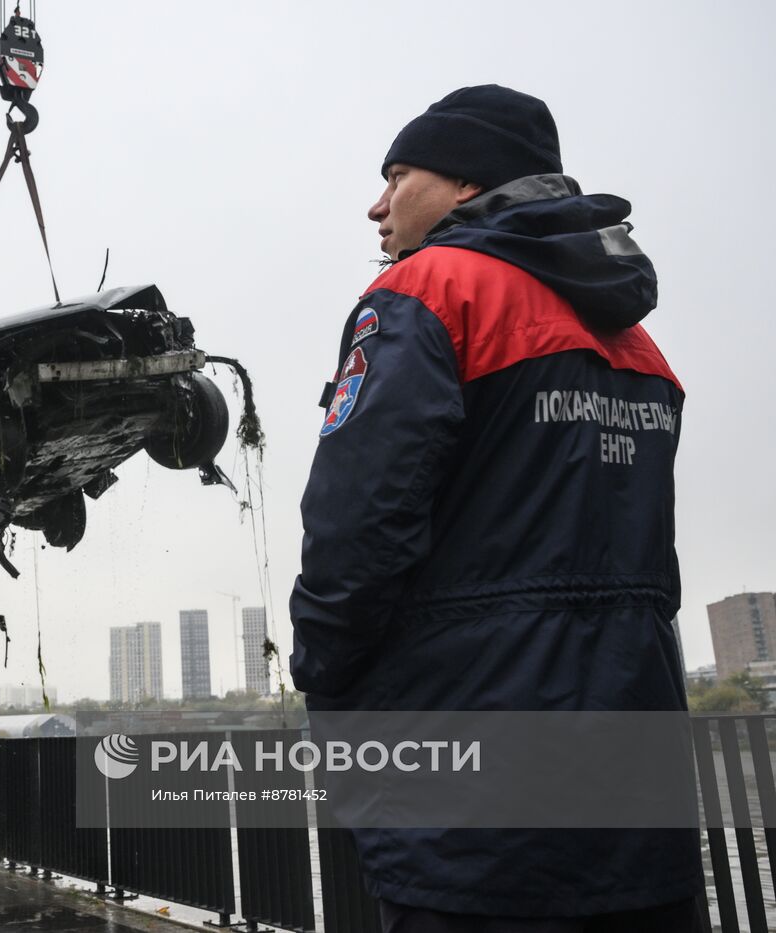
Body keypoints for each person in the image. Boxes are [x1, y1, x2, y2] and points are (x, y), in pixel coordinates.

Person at [289, 85, 701, 930]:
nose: (377, 204)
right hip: (638, 779)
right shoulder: (636, 341)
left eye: (397, 176)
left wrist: (327, 685)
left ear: (467, 185)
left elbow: (356, 529)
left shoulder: (427, 293)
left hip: (476, 793)